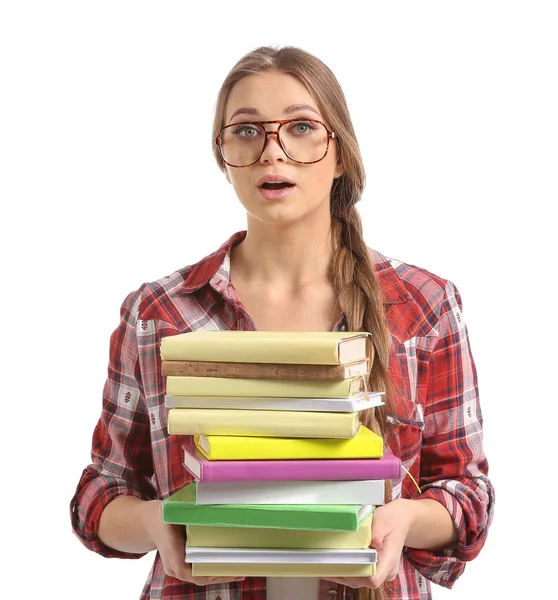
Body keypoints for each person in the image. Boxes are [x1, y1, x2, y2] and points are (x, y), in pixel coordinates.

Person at [70, 45, 494, 600]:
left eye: (300, 127)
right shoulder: (157, 313)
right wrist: (155, 521)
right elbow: (100, 494)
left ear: (341, 154)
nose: (274, 152)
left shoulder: (423, 304)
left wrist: (406, 520)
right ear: (222, 155)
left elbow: (468, 494)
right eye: (246, 131)